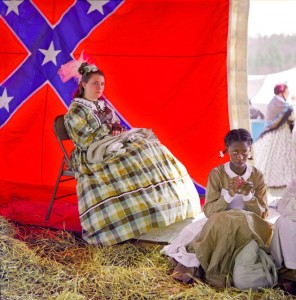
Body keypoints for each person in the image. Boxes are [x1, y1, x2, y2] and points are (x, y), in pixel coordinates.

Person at [60, 62, 201, 246]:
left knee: (148, 146)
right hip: (92, 151)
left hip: (109, 142)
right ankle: (130, 215)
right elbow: (84, 141)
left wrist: (116, 129)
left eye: (102, 84)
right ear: (84, 85)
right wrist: (109, 132)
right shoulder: (77, 110)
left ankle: (162, 205)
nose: (99, 88)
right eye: (95, 83)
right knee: (130, 157)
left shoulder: (101, 105)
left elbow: (115, 122)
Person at [162, 129, 272, 288]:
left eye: (244, 152)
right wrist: (229, 194)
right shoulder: (217, 173)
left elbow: (263, 213)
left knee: (236, 220)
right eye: (235, 152)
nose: (240, 157)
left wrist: (248, 196)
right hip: (219, 220)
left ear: (250, 150)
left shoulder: (257, 176)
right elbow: (209, 211)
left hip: (247, 222)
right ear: (227, 150)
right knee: (204, 231)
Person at [254, 83, 295, 188]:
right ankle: (281, 181)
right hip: (280, 134)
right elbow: (291, 113)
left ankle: (280, 181)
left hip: (277, 133)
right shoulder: (279, 101)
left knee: (278, 157)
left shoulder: (275, 101)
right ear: (282, 91)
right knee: (282, 156)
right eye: (287, 90)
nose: (288, 93)